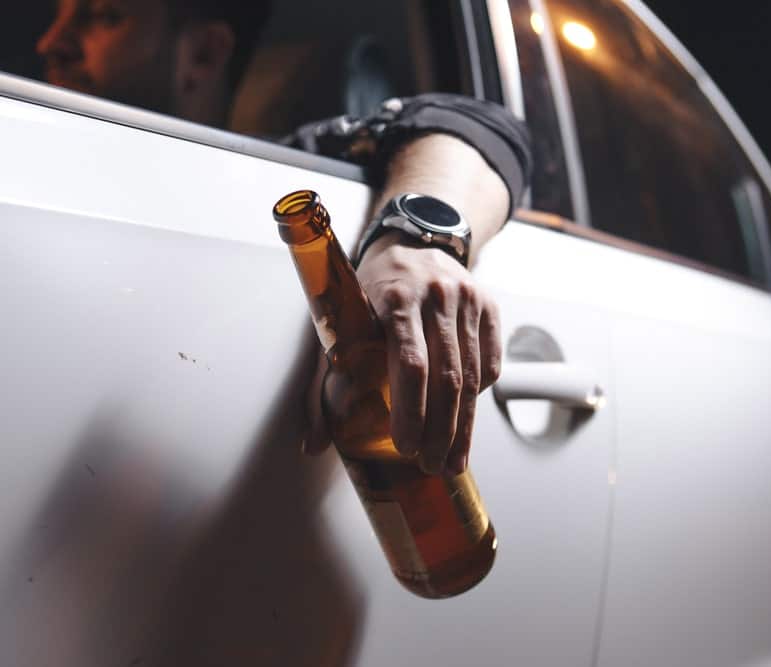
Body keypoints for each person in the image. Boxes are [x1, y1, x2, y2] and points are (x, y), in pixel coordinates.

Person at [36, 0, 532, 476]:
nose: (50, 43)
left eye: (103, 16)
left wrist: (413, 244)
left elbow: (477, 123)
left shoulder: (280, 171)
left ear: (203, 54)